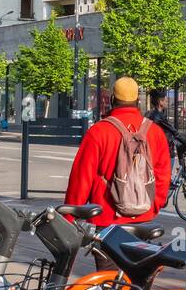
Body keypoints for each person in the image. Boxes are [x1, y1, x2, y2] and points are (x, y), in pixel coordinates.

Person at [65, 75, 171, 226]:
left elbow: (81, 179)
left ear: (112, 99)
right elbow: (163, 176)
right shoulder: (155, 132)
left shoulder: (99, 131)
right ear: (137, 101)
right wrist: (154, 206)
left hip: (106, 217)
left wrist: (69, 217)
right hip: (144, 216)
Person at [146, 90, 186, 163]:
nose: (167, 102)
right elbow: (173, 131)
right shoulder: (158, 116)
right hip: (163, 150)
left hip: (152, 149)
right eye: (166, 101)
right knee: (168, 172)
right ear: (160, 102)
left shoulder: (149, 114)